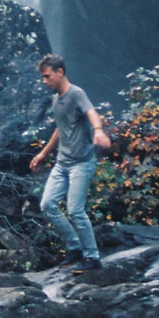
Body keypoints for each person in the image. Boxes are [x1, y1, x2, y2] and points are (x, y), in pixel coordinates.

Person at [29, 52, 112, 273]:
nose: (44, 82)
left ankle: (92, 257)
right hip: (62, 163)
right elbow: (60, 128)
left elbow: (91, 112)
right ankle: (75, 248)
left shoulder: (77, 94)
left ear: (60, 72)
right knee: (47, 205)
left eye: (47, 77)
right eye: (42, 78)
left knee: (75, 210)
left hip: (81, 164)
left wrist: (99, 131)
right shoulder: (56, 99)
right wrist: (43, 154)